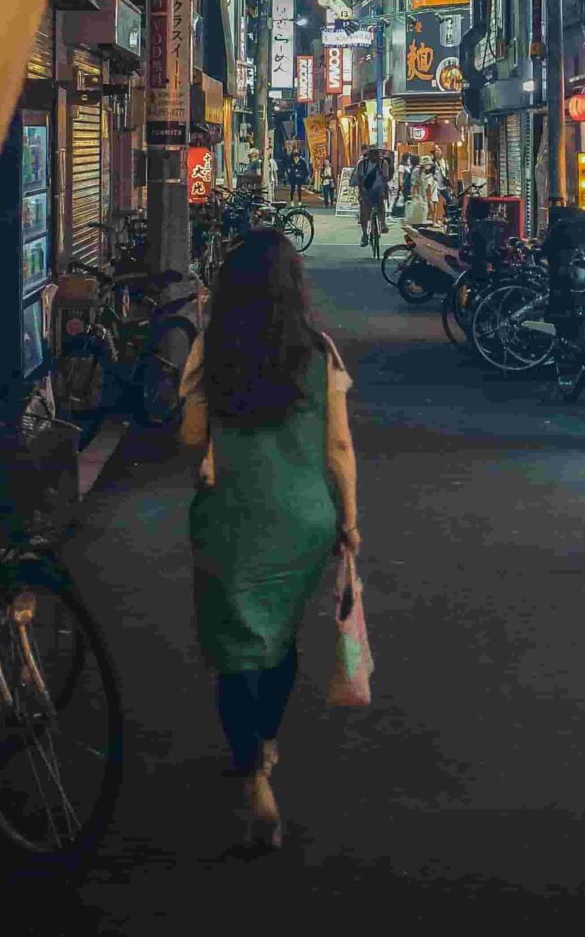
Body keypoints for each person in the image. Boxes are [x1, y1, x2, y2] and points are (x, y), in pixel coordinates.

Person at [176, 232, 359, 853]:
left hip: (232, 514)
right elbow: (338, 447)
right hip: (303, 518)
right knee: (277, 636)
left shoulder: (211, 348)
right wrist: (349, 521)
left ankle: (252, 771)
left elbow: (190, 435)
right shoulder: (317, 351)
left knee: (234, 646)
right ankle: (268, 744)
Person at [354, 150, 388, 245]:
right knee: (364, 212)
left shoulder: (383, 163)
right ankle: (365, 234)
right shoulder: (362, 164)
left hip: (378, 189)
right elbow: (359, 178)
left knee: (381, 204)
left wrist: (385, 192)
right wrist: (361, 193)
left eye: (377, 156)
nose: (375, 159)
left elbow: (385, 178)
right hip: (366, 189)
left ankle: (383, 223)